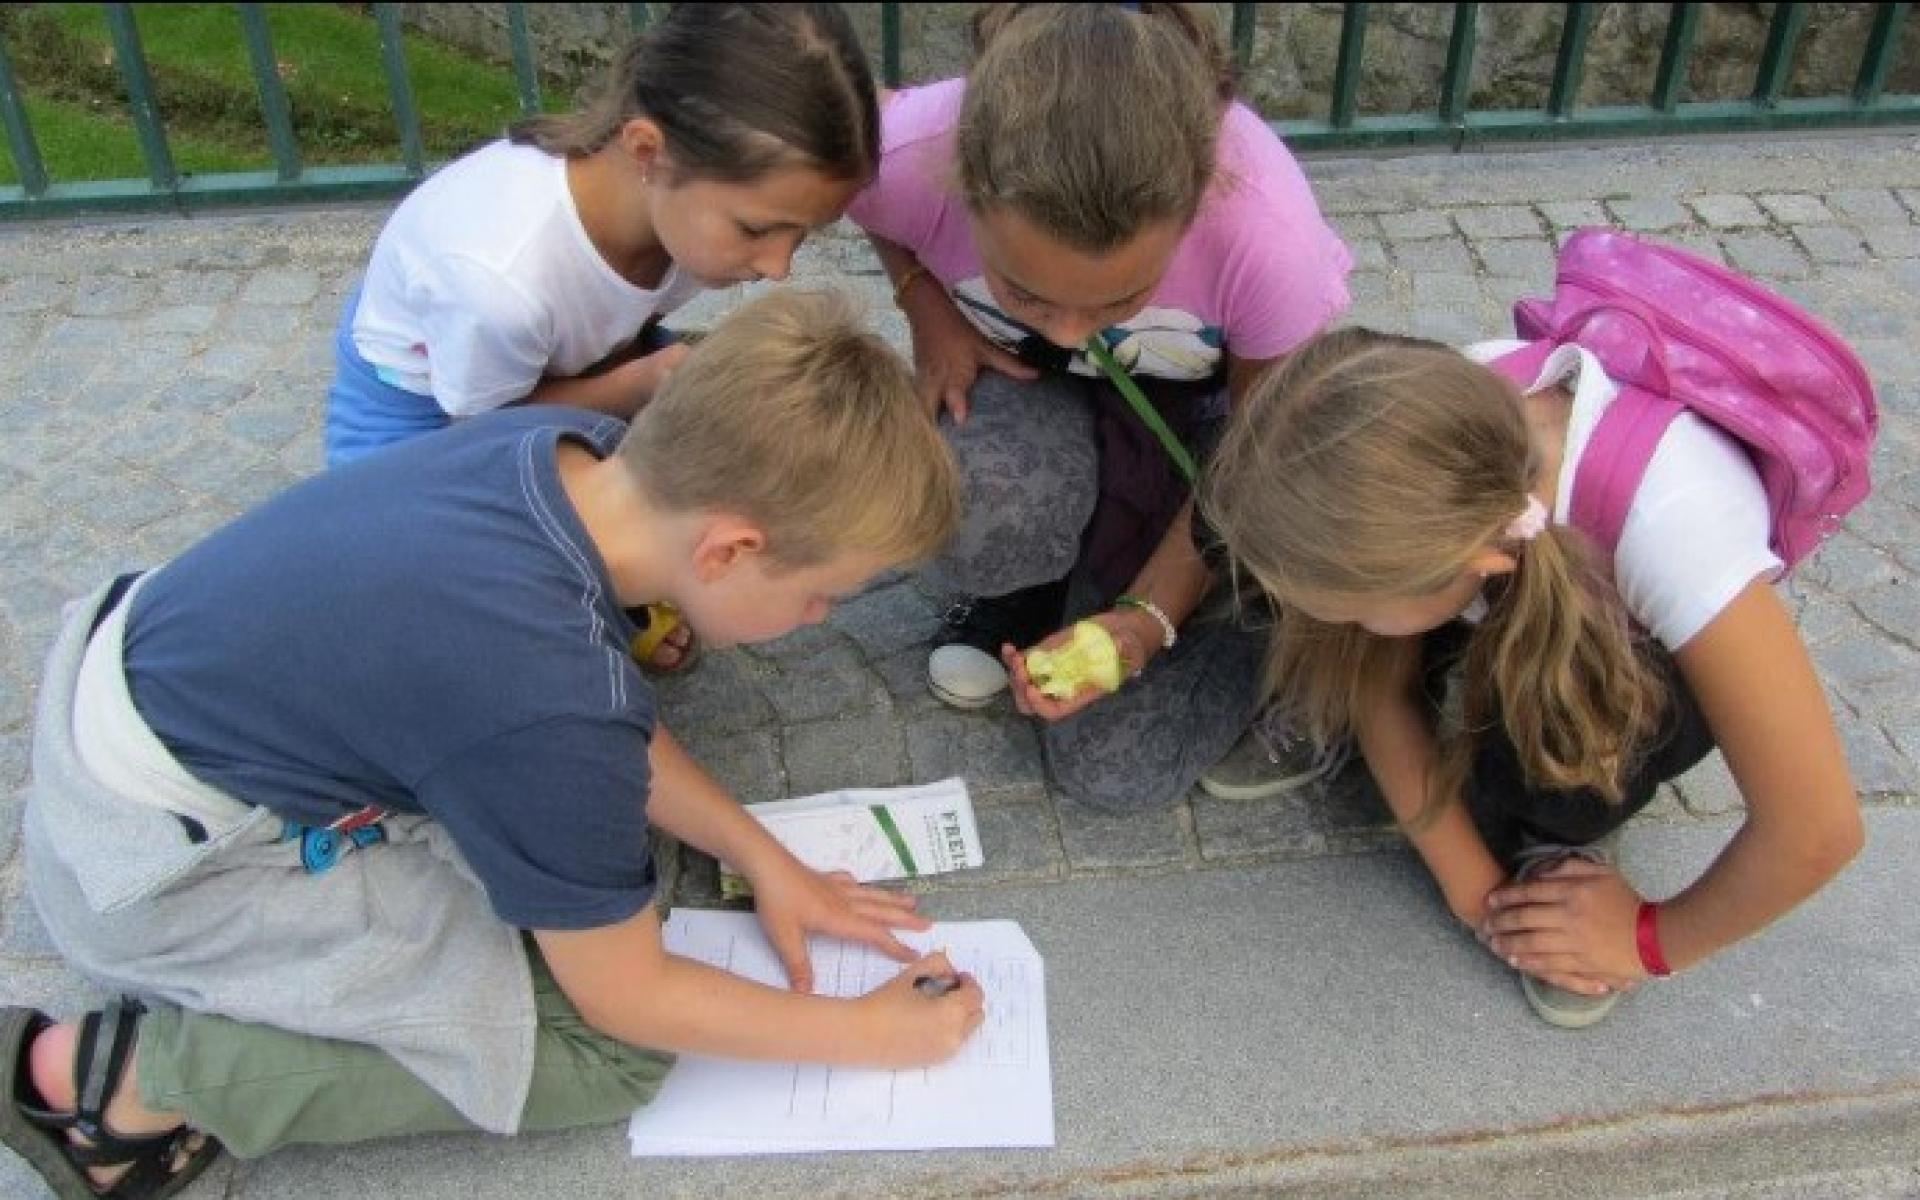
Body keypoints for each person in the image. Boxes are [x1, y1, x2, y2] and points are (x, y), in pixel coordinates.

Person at [3, 291, 981, 1196]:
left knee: (582, 870)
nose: (818, 619)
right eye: (823, 595)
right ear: (729, 550)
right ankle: (130, 1089)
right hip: (145, 875)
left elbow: (593, 726)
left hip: (123, 702)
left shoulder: (571, 454)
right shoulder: (549, 701)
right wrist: (861, 1031)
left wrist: (758, 854)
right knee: (598, 1054)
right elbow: (629, 999)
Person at [1198, 326, 1865, 1028]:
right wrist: (1474, 891)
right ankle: (1384, 675)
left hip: (1640, 640)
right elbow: (1374, 678)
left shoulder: (1675, 530)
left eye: (1355, 615)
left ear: (1477, 568)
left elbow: (1816, 828)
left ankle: (1570, 808)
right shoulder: (1426, 450)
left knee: (1570, 719)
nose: (1346, 630)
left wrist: (1648, 940)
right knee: (1310, 593)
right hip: (1486, 582)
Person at [848, 2, 1352, 812]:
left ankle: (1281, 641)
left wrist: (1148, 620)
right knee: (963, 519)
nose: (1075, 329)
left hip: (1204, 424)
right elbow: (861, 198)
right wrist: (926, 309)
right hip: (1027, 380)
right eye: (1026, 290)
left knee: (1117, 771)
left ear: (1198, 205)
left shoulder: (1267, 238)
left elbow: (1253, 458)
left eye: (1122, 295)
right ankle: (1035, 587)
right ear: (961, 182)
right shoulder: (905, 156)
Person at [325, 2, 881, 673]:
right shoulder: (499, 283)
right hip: (425, 418)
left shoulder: (677, 216)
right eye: (760, 230)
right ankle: (599, 590)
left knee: (714, 447)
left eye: (803, 234)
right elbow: (485, 435)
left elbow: (618, 318)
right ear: (648, 151)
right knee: (476, 613)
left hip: (571, 358)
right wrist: (638, 385)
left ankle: (621, 571)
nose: (778, 266)